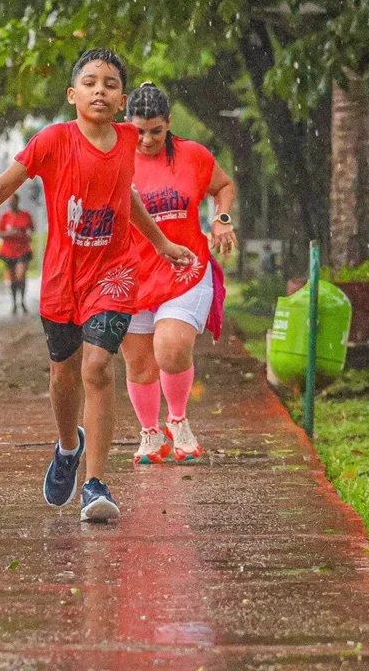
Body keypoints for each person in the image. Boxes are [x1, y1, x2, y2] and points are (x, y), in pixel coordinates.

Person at [0, 49, 196, 522]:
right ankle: (67, 445)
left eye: (111, 84)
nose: (100, 90)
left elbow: (126, 195)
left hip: (114, 273)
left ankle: (95, 484)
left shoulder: (127, 142)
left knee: (97, 367)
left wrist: (158, 243)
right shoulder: (52, 141)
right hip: (61, 279)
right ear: (73, 94)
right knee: (63, 375)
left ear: (122, 101)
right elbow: (2, 187)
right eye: (90, 82)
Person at [121, 83, 237, 464]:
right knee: (139, 364)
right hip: (131, 274)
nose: (148, 139)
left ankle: (178, 420)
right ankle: (150, 433)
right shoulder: (115, 159)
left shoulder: (193, 155)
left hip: (185, 267)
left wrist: (220, 220)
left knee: (170, 348)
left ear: (169, 123)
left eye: (156, 130)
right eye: (139, 131)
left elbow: (222, 186)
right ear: (126, 124)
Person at [0, 194, 35, 314]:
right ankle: (14, 303)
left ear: (17, 202)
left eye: (13, 201)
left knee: (21, 276)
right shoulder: (5, 216)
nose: (11, 203)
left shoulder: (25, 215)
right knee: (12, 278)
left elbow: (31, 228)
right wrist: (9, 233)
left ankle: (22, 301)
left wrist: (27, 233)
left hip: (23, 250)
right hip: (8, 251)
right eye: (10, 201)